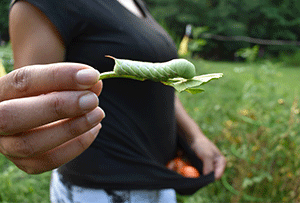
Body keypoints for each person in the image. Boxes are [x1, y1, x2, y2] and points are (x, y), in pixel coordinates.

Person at [9, 0, 226, 202]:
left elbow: (160, 84)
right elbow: (31, 104)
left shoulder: (135, 2)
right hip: (102, 188)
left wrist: (195, 136)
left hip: (158, 176)